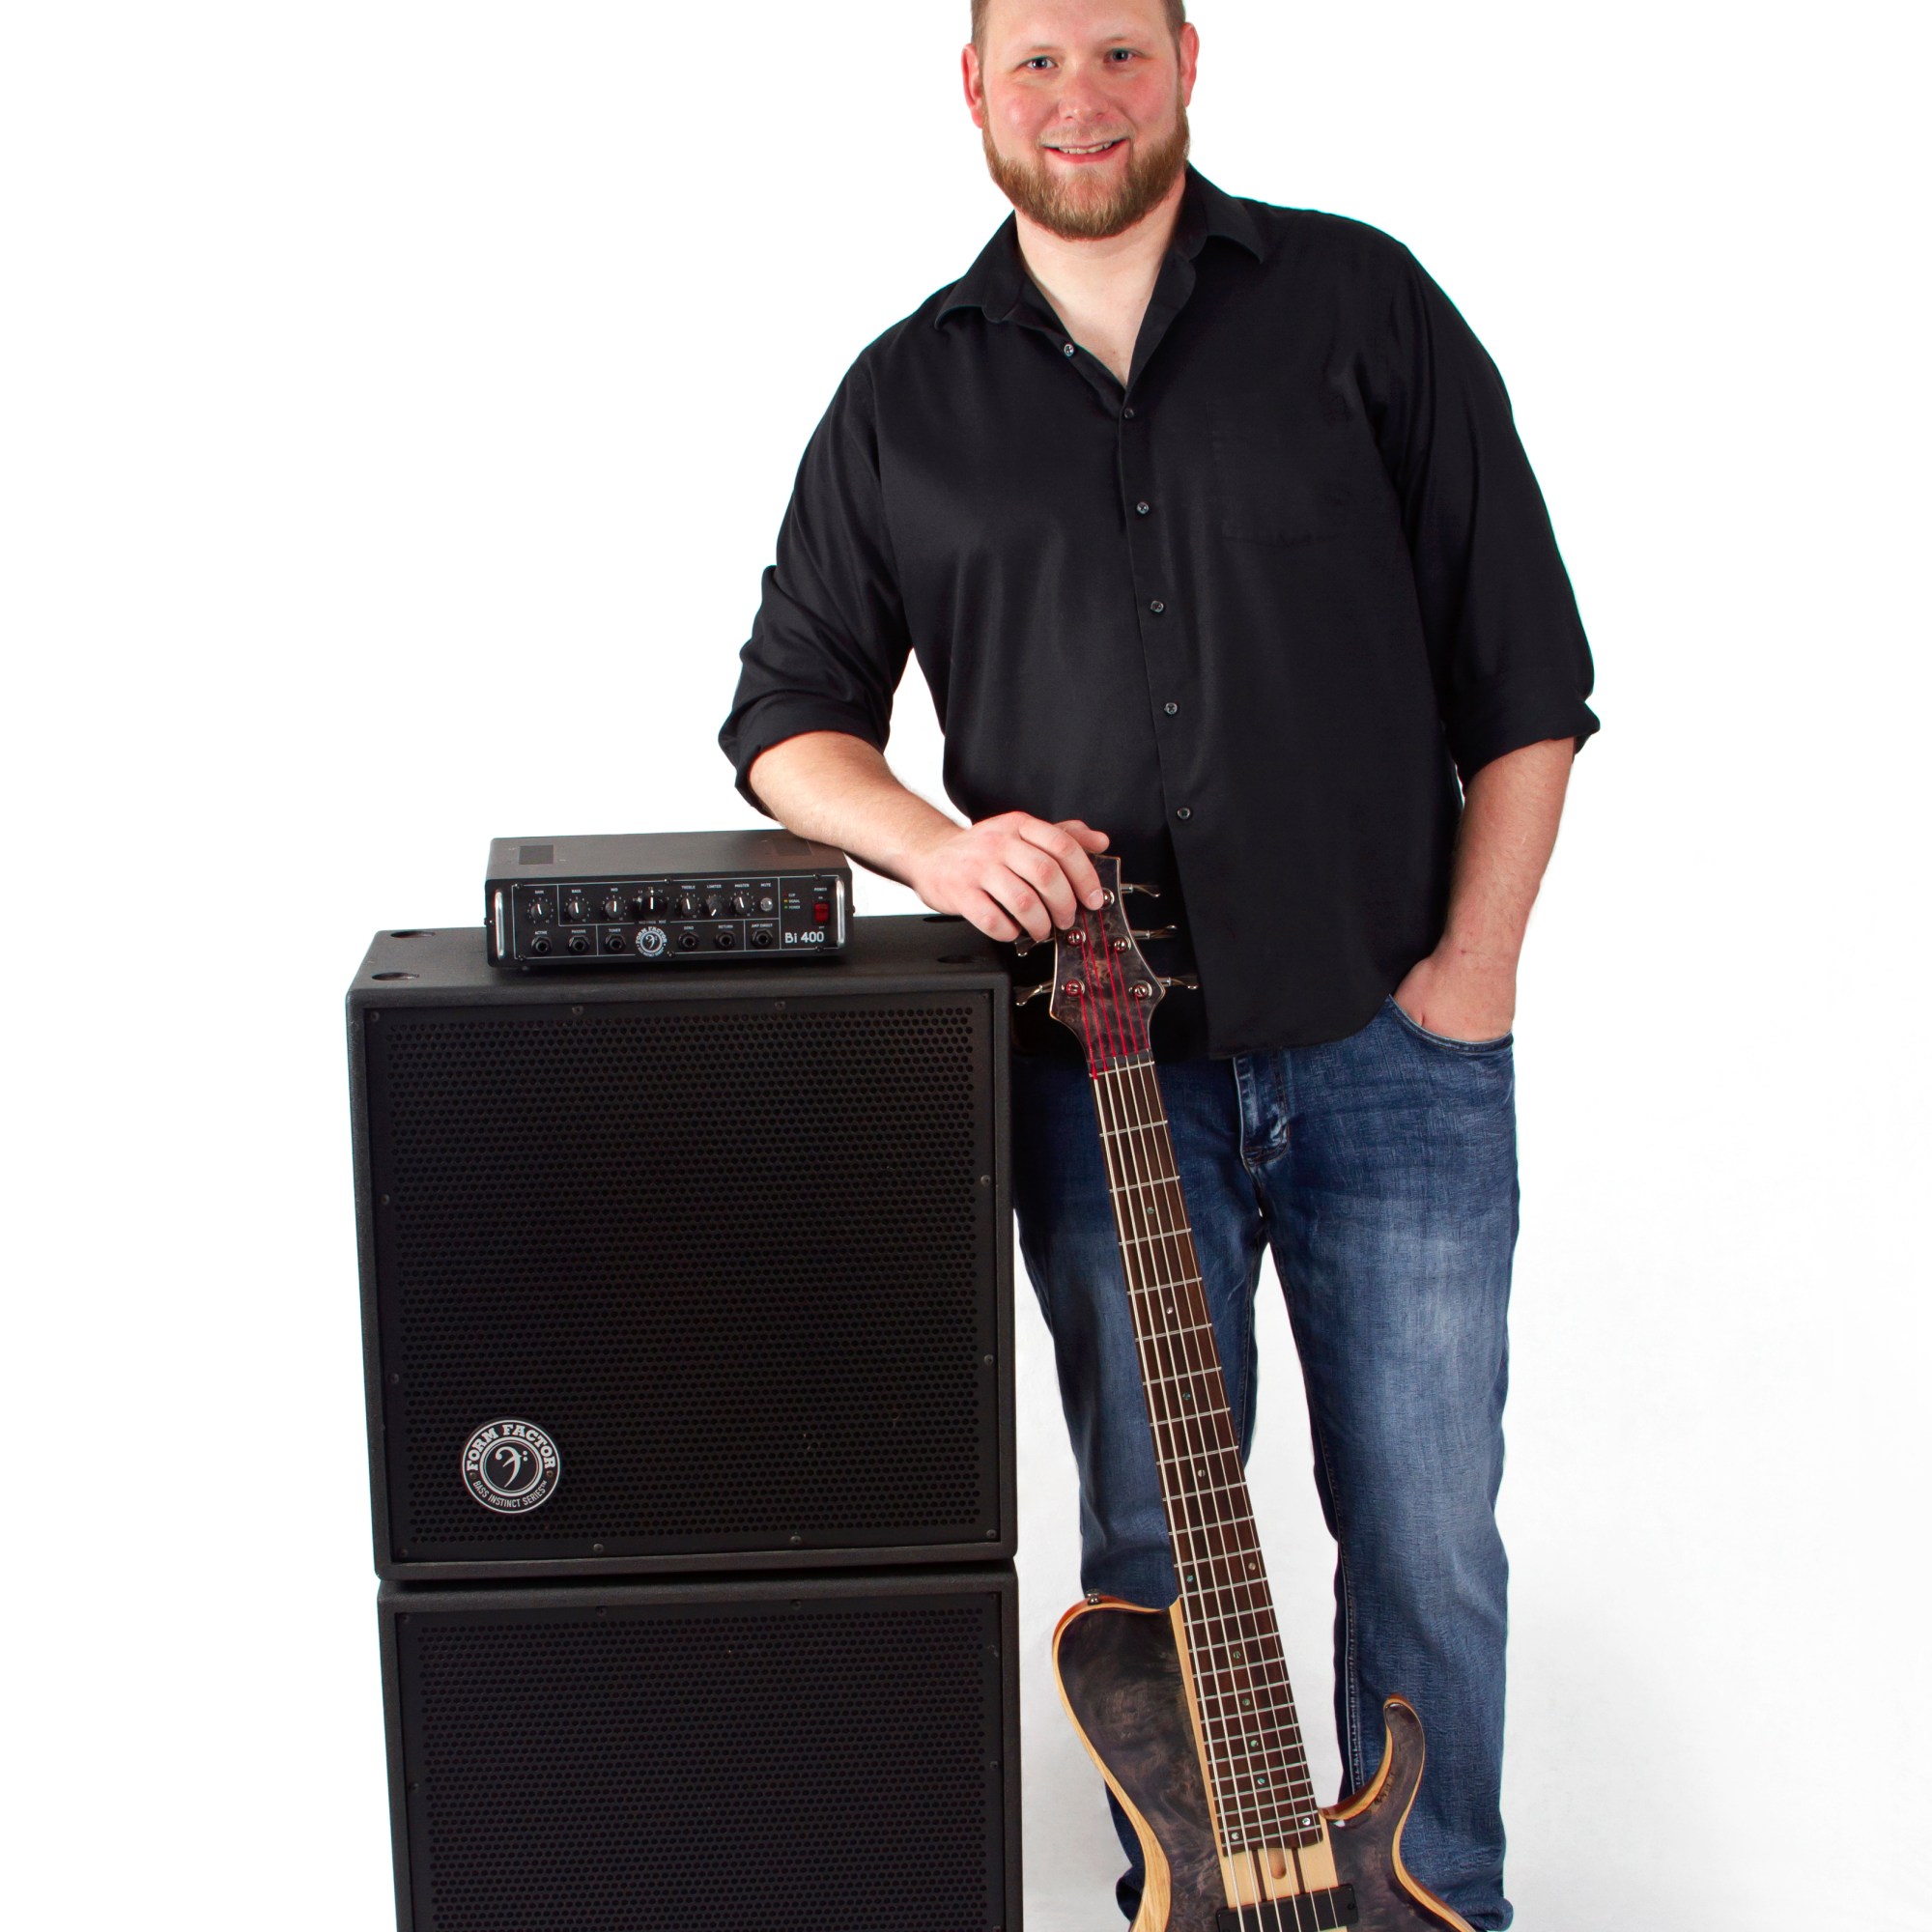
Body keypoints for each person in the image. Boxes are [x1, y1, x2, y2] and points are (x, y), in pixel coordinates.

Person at [718, 2, 1597, 1923]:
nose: (1079, 99)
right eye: (1034, 61)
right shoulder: (903, 399)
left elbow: (1528, 671)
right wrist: (941, 846)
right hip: (1096, 1079)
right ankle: (1202, 1906)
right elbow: (786, 719)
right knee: (1156, 1552)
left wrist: (1475, 973)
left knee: (1429, 1541)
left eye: (1117, 51)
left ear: (1190, 60)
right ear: (973, 89)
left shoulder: (1361, 308)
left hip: (1393, 1044)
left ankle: (1439, 1901)